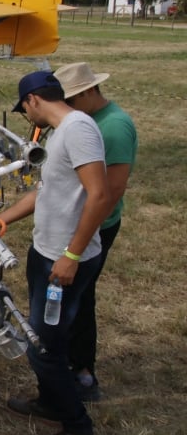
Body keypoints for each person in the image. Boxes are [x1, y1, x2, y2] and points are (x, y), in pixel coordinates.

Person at [0, 70, 111, 435]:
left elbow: (100, 195)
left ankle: (78, 428)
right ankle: (50, 402)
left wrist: (71, 256)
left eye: (24, 109)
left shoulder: (77, 129)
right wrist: (2, 219)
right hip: (47, 253)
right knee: (52, 339)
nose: (27, 117)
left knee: (42, 348)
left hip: (62, 260)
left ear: (33, 100)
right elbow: (46, 191)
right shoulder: (62, 132)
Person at [54, 62, 138, 402]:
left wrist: (79, 243)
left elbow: (111, 190)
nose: (68, 109)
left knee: (80, 296)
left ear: (90, 91)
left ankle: (82, 372)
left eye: (72, 101)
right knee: (72, 295)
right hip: (80, 224)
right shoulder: (85, 120)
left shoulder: (113, 127)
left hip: (95, 227)